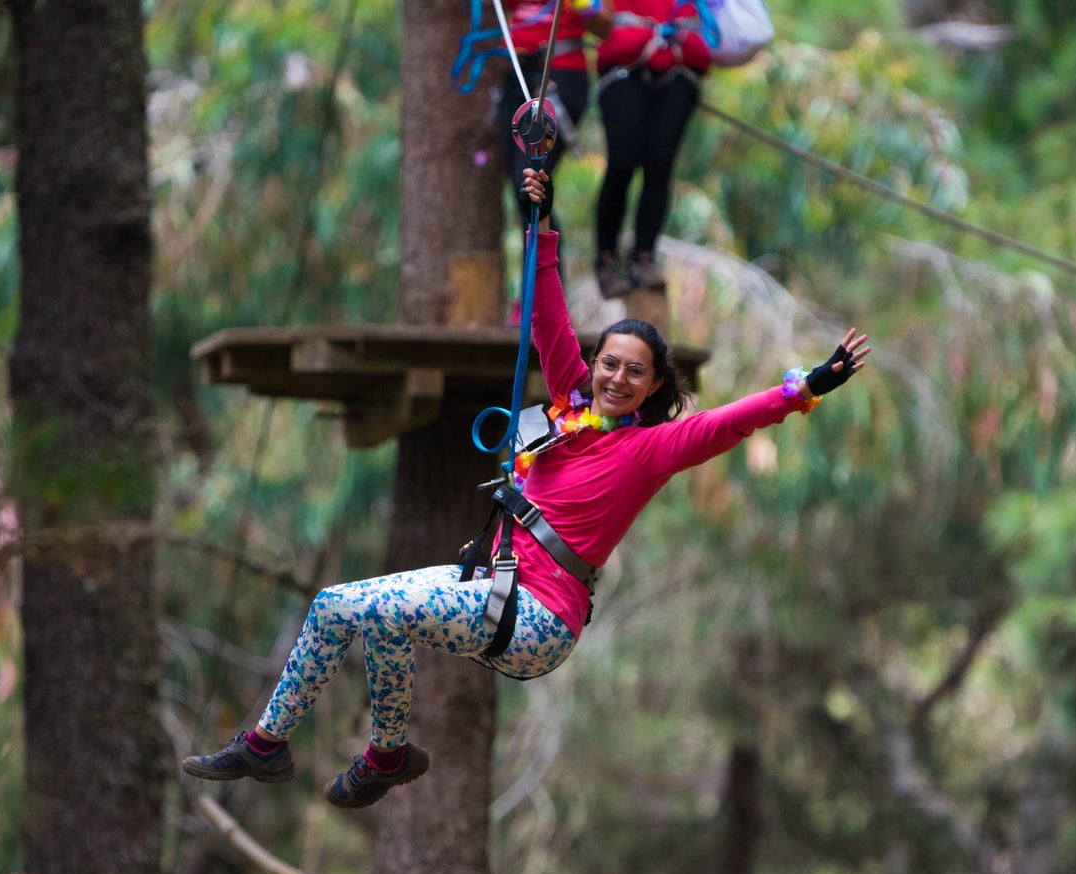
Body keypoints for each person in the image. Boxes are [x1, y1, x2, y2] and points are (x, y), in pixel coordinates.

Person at [182, 168, 870, 809]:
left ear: (656, 386)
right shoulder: (570, 402)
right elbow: (546, 317)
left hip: (537, 615)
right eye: (611, 363)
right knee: (362, 613)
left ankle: (274, 746)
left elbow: (725, 424)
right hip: (496, 580)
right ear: (595, 364)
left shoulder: (650, 447)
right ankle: (377, 753)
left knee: (343, 603)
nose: (618, 378)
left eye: (636, 372)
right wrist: (539, 218)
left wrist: (805, 387)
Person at [591, 0, 712, 297]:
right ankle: (606, 258)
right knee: (622, 161)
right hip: (623, 64)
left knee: (659, 164)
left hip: (680, 66)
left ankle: (644, 258)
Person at [496, 0, 614, 237]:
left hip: (558, 76)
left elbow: (604, 26)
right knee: (523, 188)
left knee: (529, 183)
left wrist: (585, 4)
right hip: (516, 77)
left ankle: (545, 271)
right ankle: (537, 271)